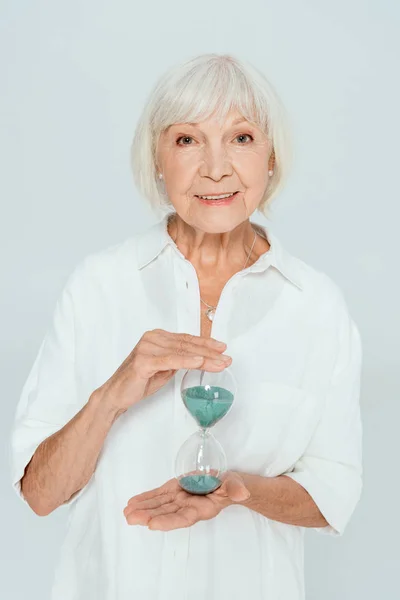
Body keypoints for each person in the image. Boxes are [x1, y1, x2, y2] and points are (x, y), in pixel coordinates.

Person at [9, 53, 363, 600]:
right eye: (187, 140)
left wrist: (241, 489)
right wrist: (111, 395)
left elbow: (333, 492)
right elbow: (39, 495)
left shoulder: (316, 305)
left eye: (242, 138)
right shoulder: (99, 284)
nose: (216, 167)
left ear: (272, 157)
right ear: (157, 157)